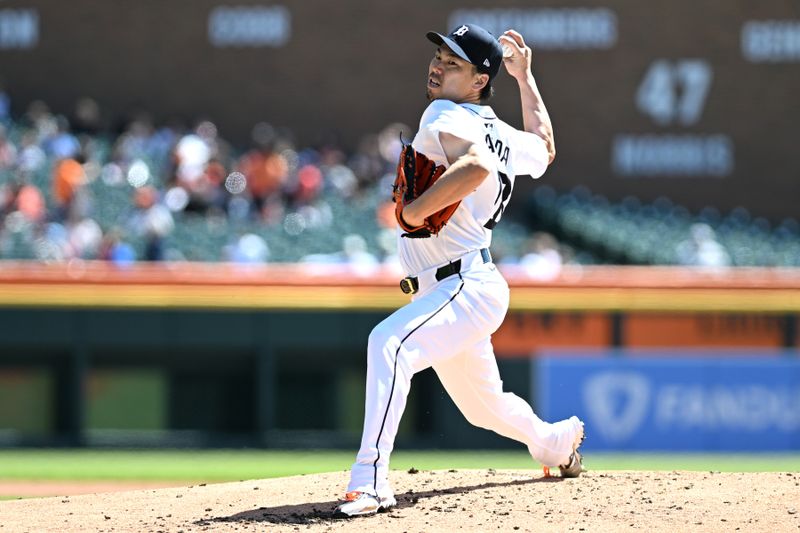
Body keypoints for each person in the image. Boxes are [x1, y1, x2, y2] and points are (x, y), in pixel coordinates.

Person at [335, 24, 585, 518]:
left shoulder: (443, 112)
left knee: (389, 344)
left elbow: (474, 168)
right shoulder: (498, 131)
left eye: (454, 63)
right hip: (466, 283)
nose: (438, 65)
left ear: (477, 81)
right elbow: (545, 147)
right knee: (482, 406)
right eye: (439, 55)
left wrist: (411, 213)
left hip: (463, 282)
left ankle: (369, 481)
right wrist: (526, 78)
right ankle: (556, 442)